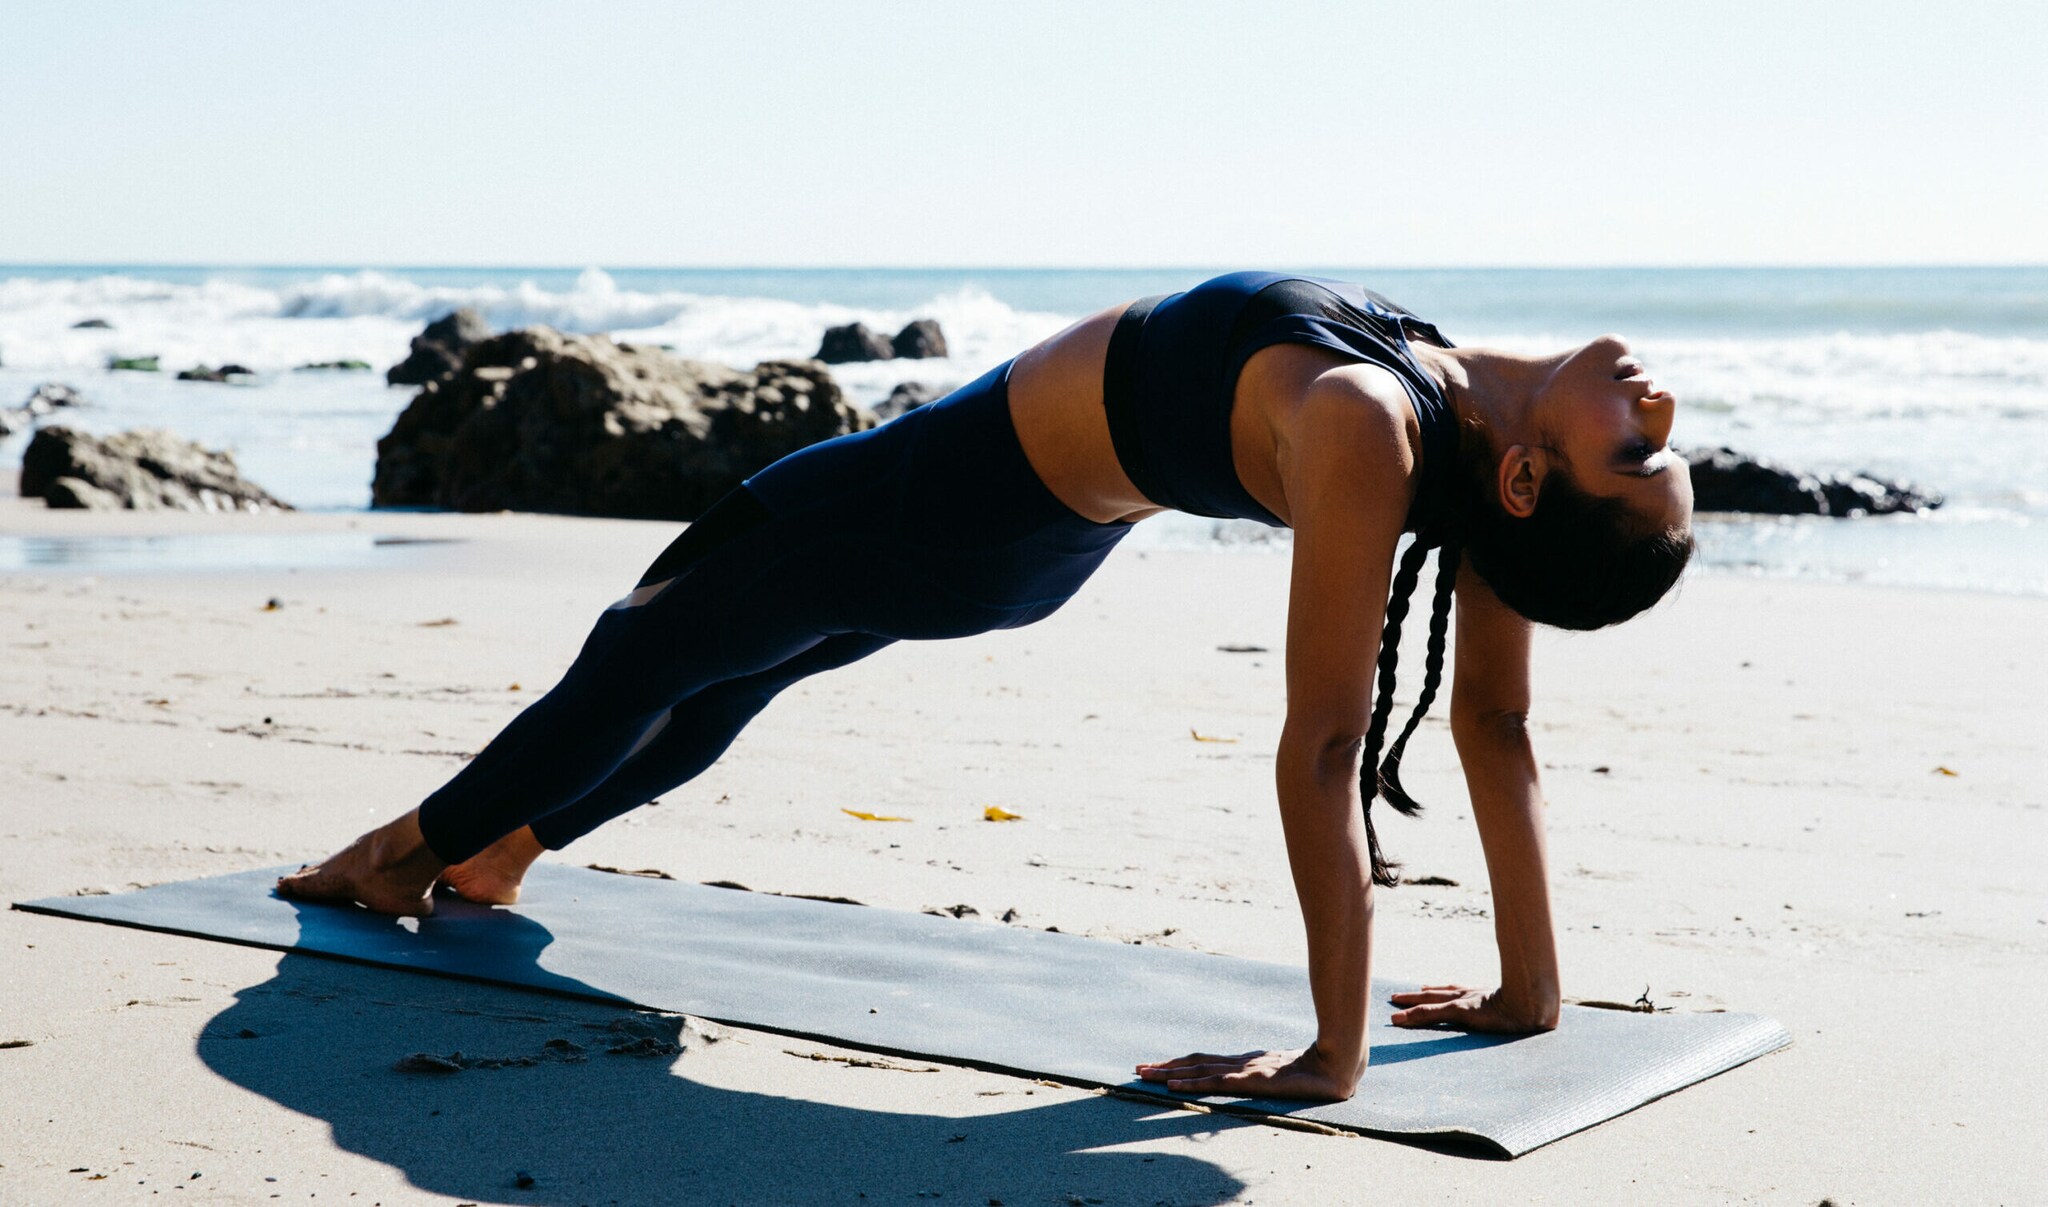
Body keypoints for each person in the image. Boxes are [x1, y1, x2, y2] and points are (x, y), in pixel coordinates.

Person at [278, 271, 1693, 1102]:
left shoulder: (1370, 425)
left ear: (1526, 479)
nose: (1660, 410)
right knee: (729, 663)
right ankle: (504, 849)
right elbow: (1492, 721)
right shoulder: (1445, 421)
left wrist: (1336, 1049)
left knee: (659, 639)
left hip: (949, 513)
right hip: (1010, 538)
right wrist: (1530, 991)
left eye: (1638, 454)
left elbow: (1325, 747)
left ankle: (405, 852)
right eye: (1660, 441)